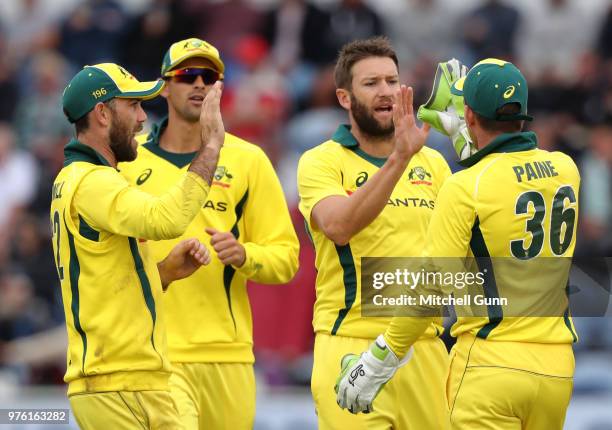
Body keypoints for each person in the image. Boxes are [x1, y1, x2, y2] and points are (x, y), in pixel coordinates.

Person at [336, 58, 581, 430]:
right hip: (557, 370)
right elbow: (506, 171)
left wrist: (381, 358)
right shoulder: (566, 168)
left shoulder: (464, 186)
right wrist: (466, 134)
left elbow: (432, 283)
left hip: (491, 363)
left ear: (469, 114)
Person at [119, 38, 300, 429]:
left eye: (210, 76)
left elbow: (286, 258)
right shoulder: (129, 163)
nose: (199, 84)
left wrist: (245, 255)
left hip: (230, 356)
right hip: (158, 353)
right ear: (165, 87)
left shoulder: (249, 160)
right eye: (187, 75)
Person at [52, 62, 224, 429]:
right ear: (102, 113)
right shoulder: (93, 182)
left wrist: (161, 273)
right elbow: (168, 219)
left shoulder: (79, 179)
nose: (143, 117)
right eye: (133, 105)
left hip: (121, 381)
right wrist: (210, 146)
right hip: (121, 383)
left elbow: (105, 280)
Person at [296, 36, 451, 429]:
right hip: (351, 344)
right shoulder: (320, 161)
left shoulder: (434, 164)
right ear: (344, 98)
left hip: (425, 348)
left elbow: (458, 257)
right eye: (371, 83)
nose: (386, 92)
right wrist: (400, 158)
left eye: (391, 81)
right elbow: (339, 227)